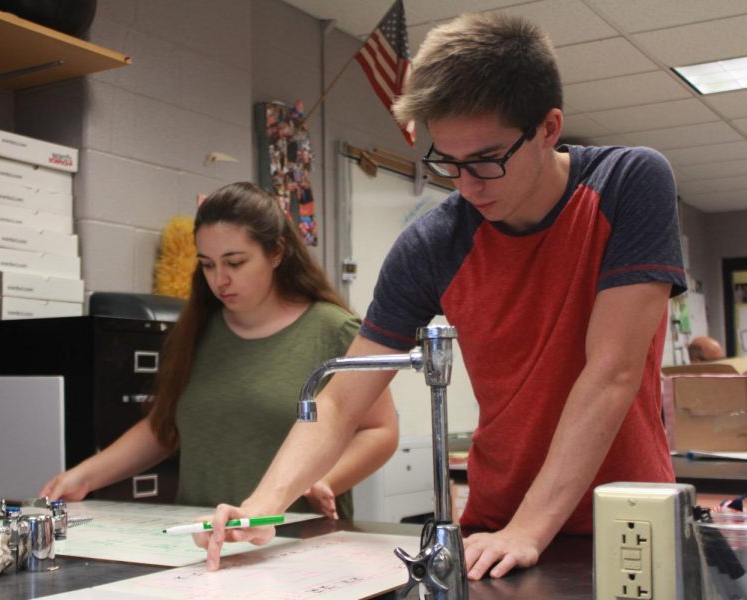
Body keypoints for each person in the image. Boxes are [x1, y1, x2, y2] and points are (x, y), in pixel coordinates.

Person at [198, 12, 687, 580]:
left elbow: (611, 372)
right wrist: (263, 508)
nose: (467, 184)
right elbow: (340, 400)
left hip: (627, 520)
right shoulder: (434, 243)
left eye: (486, 160)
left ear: (549, 128)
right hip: (495, 531)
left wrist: (530, 528)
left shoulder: (629, 183)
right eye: (447, 162)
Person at [40, 182, 398, 520]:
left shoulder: (333, 330)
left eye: (235, 262)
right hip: (203, 540)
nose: (219, 279)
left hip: (297, 541)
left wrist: (325, 480)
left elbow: (380, 431)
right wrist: (83, 477)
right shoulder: (196, 329)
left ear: (276, 253)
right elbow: (165, 429)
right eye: (208, 264)